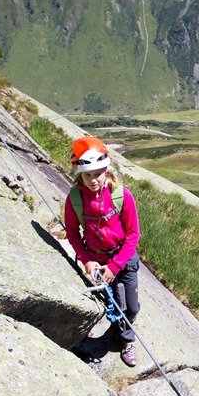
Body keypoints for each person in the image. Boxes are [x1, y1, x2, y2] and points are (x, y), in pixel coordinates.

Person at [64, 136, 142, 367]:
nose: (93, 180)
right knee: (116, 302)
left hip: (123, 259)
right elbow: (72, 232)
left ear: (106, 170)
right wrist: (87, 261)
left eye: (98, 174)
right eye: (87, 175)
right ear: (80, 174)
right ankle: (126, 339)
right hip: (96, 261)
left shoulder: (121, 195)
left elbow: (133, 234)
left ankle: (124, 336)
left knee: (131, 307)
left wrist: (115, 267)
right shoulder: (75, 198)